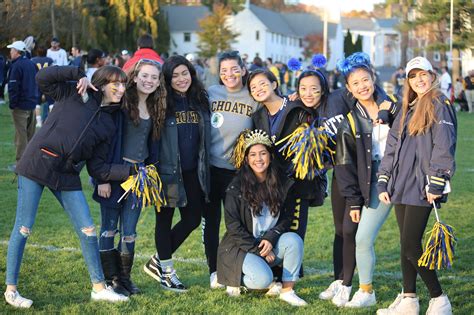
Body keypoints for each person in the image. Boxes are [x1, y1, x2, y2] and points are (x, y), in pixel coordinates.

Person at [4, 65, 134, 308]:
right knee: (23, 227)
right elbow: (42, 77)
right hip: (36, 164)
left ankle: (98, 288)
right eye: (115, 83)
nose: (121, 88)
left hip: (67, 175)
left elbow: (98, 169)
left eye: (124, 84)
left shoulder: (110, 123)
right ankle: (11, 290)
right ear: (102, 82)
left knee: (88, 229)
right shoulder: (74, 92)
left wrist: (131, 171)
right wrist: (78, 73)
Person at [376, 56, 456, 315]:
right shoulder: (406, 106)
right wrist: (384, 179)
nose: (419, 79)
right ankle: (409, 298)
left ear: (432, 76)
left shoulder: (439, 104)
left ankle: (439, 298)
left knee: (411, 243)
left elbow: (444, 146)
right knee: (405, 242)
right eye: (413, 75)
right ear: (408, 80)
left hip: (423, 184)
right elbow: (391, 147)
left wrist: (436, 181)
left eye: (424, 74)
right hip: (402, 183)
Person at [93, 59, 166, 296]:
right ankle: (110, 279)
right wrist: (102, 178)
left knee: (130, 231)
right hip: (114, 174)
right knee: (109, 228)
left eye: (154, 77)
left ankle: (124, 279)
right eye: (145, 75)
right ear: (134, 77)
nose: (149, 80)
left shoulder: (156, 107)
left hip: (139, 176)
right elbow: (104, 141)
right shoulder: (122, 103)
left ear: (158, 82)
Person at [331, 52, 399, 308]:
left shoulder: (394, 106)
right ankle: (366, 291)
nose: (362, 86)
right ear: (349, 88)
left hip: (401, 178)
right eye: (355, 83)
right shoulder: (350, 121)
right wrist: (355, 202)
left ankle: (410, 295)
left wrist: (391, 109)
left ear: (373, 77)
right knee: (362, 237)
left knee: (410, 239)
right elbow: (345, 164)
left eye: (365, 79)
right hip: (375, 183)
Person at [143, 55, 210, 292]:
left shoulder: (199, 99)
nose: (181, 79)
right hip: (166, 172)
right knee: (164, 220)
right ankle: (167, 273)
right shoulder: (159, 103)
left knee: (192, 219)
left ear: (191, 73)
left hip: (192, 172)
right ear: (167, 80)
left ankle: (157, 261)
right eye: (175, 76)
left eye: (185, 73)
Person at [216, 130, 306, 306]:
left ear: (270, 157)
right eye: (253, 155)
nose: (258, 159)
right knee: (263, 280)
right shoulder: (236, 187)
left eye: (263, 153)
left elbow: (288, 218)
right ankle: (236, 280)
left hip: (268, 243)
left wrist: (271, 238)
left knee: (294, 240)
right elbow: (233, 227)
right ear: (247, 159)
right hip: (241, 247)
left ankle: (287, 291)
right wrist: (258, 249)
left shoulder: (282, 183)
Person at [250, 69, 327, 250]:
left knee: (293, 234)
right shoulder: (258, 117)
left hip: (297, 185)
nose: (258, 89)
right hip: (271, 185)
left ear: (274, 84)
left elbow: (310, 151)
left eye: (263, 83)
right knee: (271, 232)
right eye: (253, 87)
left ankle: (290, 276)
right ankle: (273, 274)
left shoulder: (298, 109)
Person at [203, 50, 259, 289]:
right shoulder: (210, 93)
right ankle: (214, 271)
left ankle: (241, 269)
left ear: (243, 70)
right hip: (211, 169)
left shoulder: (252, 96)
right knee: (212, 222)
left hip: (239, 172)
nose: (229, 74)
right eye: (224, 70)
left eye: (234, 69)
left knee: (240, 223)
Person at [6, 40, 38, 165]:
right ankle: (30, 162)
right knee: (30, 135)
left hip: (20, 106)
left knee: (21, 136)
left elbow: (13, 86)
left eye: (12, 50)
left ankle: (21, 164)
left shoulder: (16, 65)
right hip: (32, 104)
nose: (10, 52)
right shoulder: (31, 64)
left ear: (17, 51)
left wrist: (12, 104)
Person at [31, 46, 54, 127]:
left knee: (37, 104)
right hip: (47, 83)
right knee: (51, 103)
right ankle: (51, 120)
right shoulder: (49, 60)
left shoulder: (33, 60)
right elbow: (52, 71)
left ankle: (38, 121)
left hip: (37, 83)